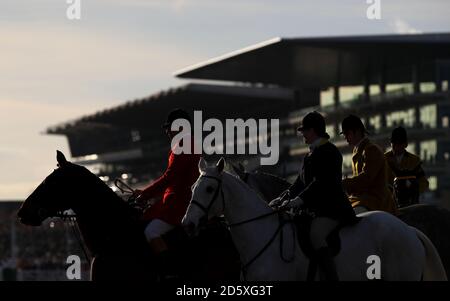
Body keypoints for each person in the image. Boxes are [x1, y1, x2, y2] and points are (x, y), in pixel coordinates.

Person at [270, 111, 356, 281]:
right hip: (315, 209)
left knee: (316, 234)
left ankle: (331, 277)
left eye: (304, 131)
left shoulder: (330, 152)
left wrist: (298, 200)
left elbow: (320, 183)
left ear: (313, 131)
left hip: (332, 209)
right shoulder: (310, 154)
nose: (302, 135)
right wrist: (283, 197)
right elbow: (300, 183)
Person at [134, 108, 201, 277]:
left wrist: (145, 194)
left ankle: (169, 273)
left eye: (168, 127)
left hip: (179, 204)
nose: (166, 131)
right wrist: (147, 193)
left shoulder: (184, 145)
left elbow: (170, 178)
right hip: (177, 200)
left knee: (151, 232)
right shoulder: (189, 142)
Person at [340, 115, 396, 215]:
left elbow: (367, 178)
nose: (345, 137)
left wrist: (344, 183)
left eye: (347, 133)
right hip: (363, 199)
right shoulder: (357, 150)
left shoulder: (371, 149)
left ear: (357, 132)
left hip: (376, 201)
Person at [385, 126, 429, 207]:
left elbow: (424, 183)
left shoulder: (414, 161)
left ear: (405, 144)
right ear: (390, 143)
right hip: (388, 203)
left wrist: (413, 191)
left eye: (399, 144)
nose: (396, 147)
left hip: (410, 203)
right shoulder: (383, 159)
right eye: (394, 144)